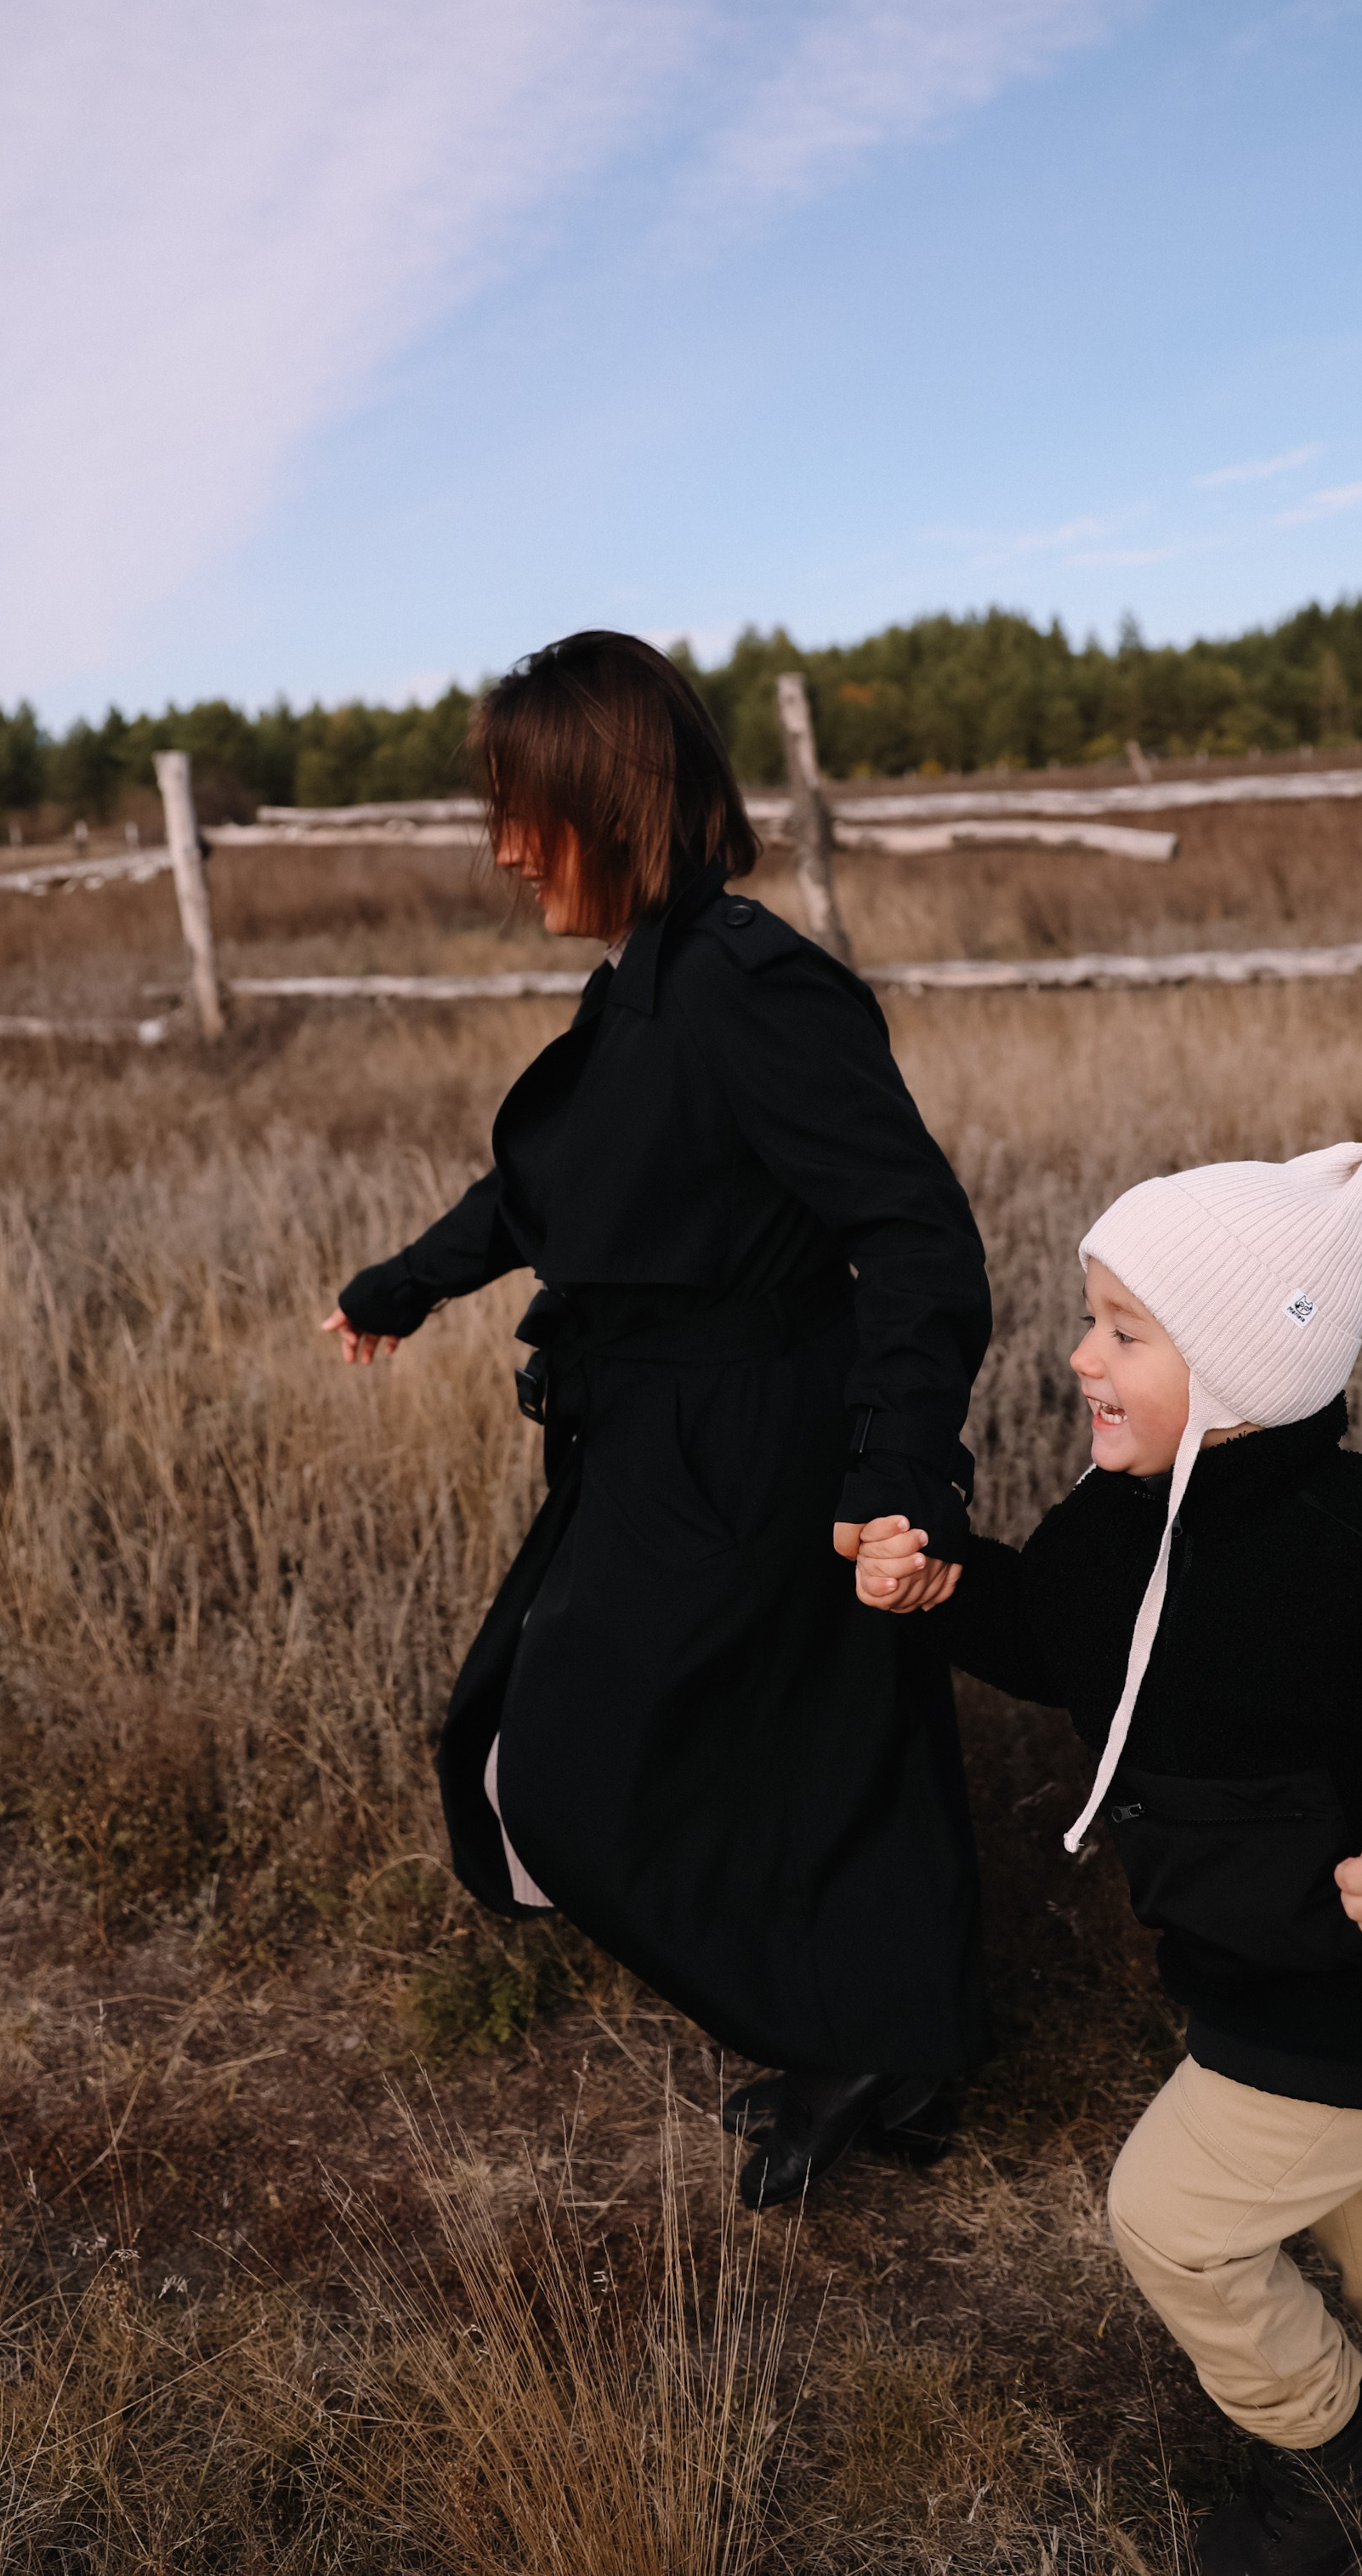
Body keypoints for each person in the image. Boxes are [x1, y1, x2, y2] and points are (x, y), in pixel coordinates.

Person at [326, 630, 992, 2208]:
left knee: (580, 1770)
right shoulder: (639, 981)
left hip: (757, 1440)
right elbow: (545, 1184)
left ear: (615, 797)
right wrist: (404, 1284)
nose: (499, 846)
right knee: (772, 1753)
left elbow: (916, 1237)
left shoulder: (750, 986)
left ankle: (859, 2039)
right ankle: (886, 2043)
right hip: (657, 1431)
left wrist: (896, 1467)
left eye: (521, 807)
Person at [855, 1143, 1362, 2576]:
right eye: (1088, 1319)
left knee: (1167, 2219)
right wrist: (938, 1588)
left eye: (1122, 1330)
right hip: (1262, 1965)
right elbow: (1053, 1639)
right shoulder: (1111, 1528)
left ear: (1238, 1363)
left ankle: (1346, 2472)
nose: (1075, 1356)